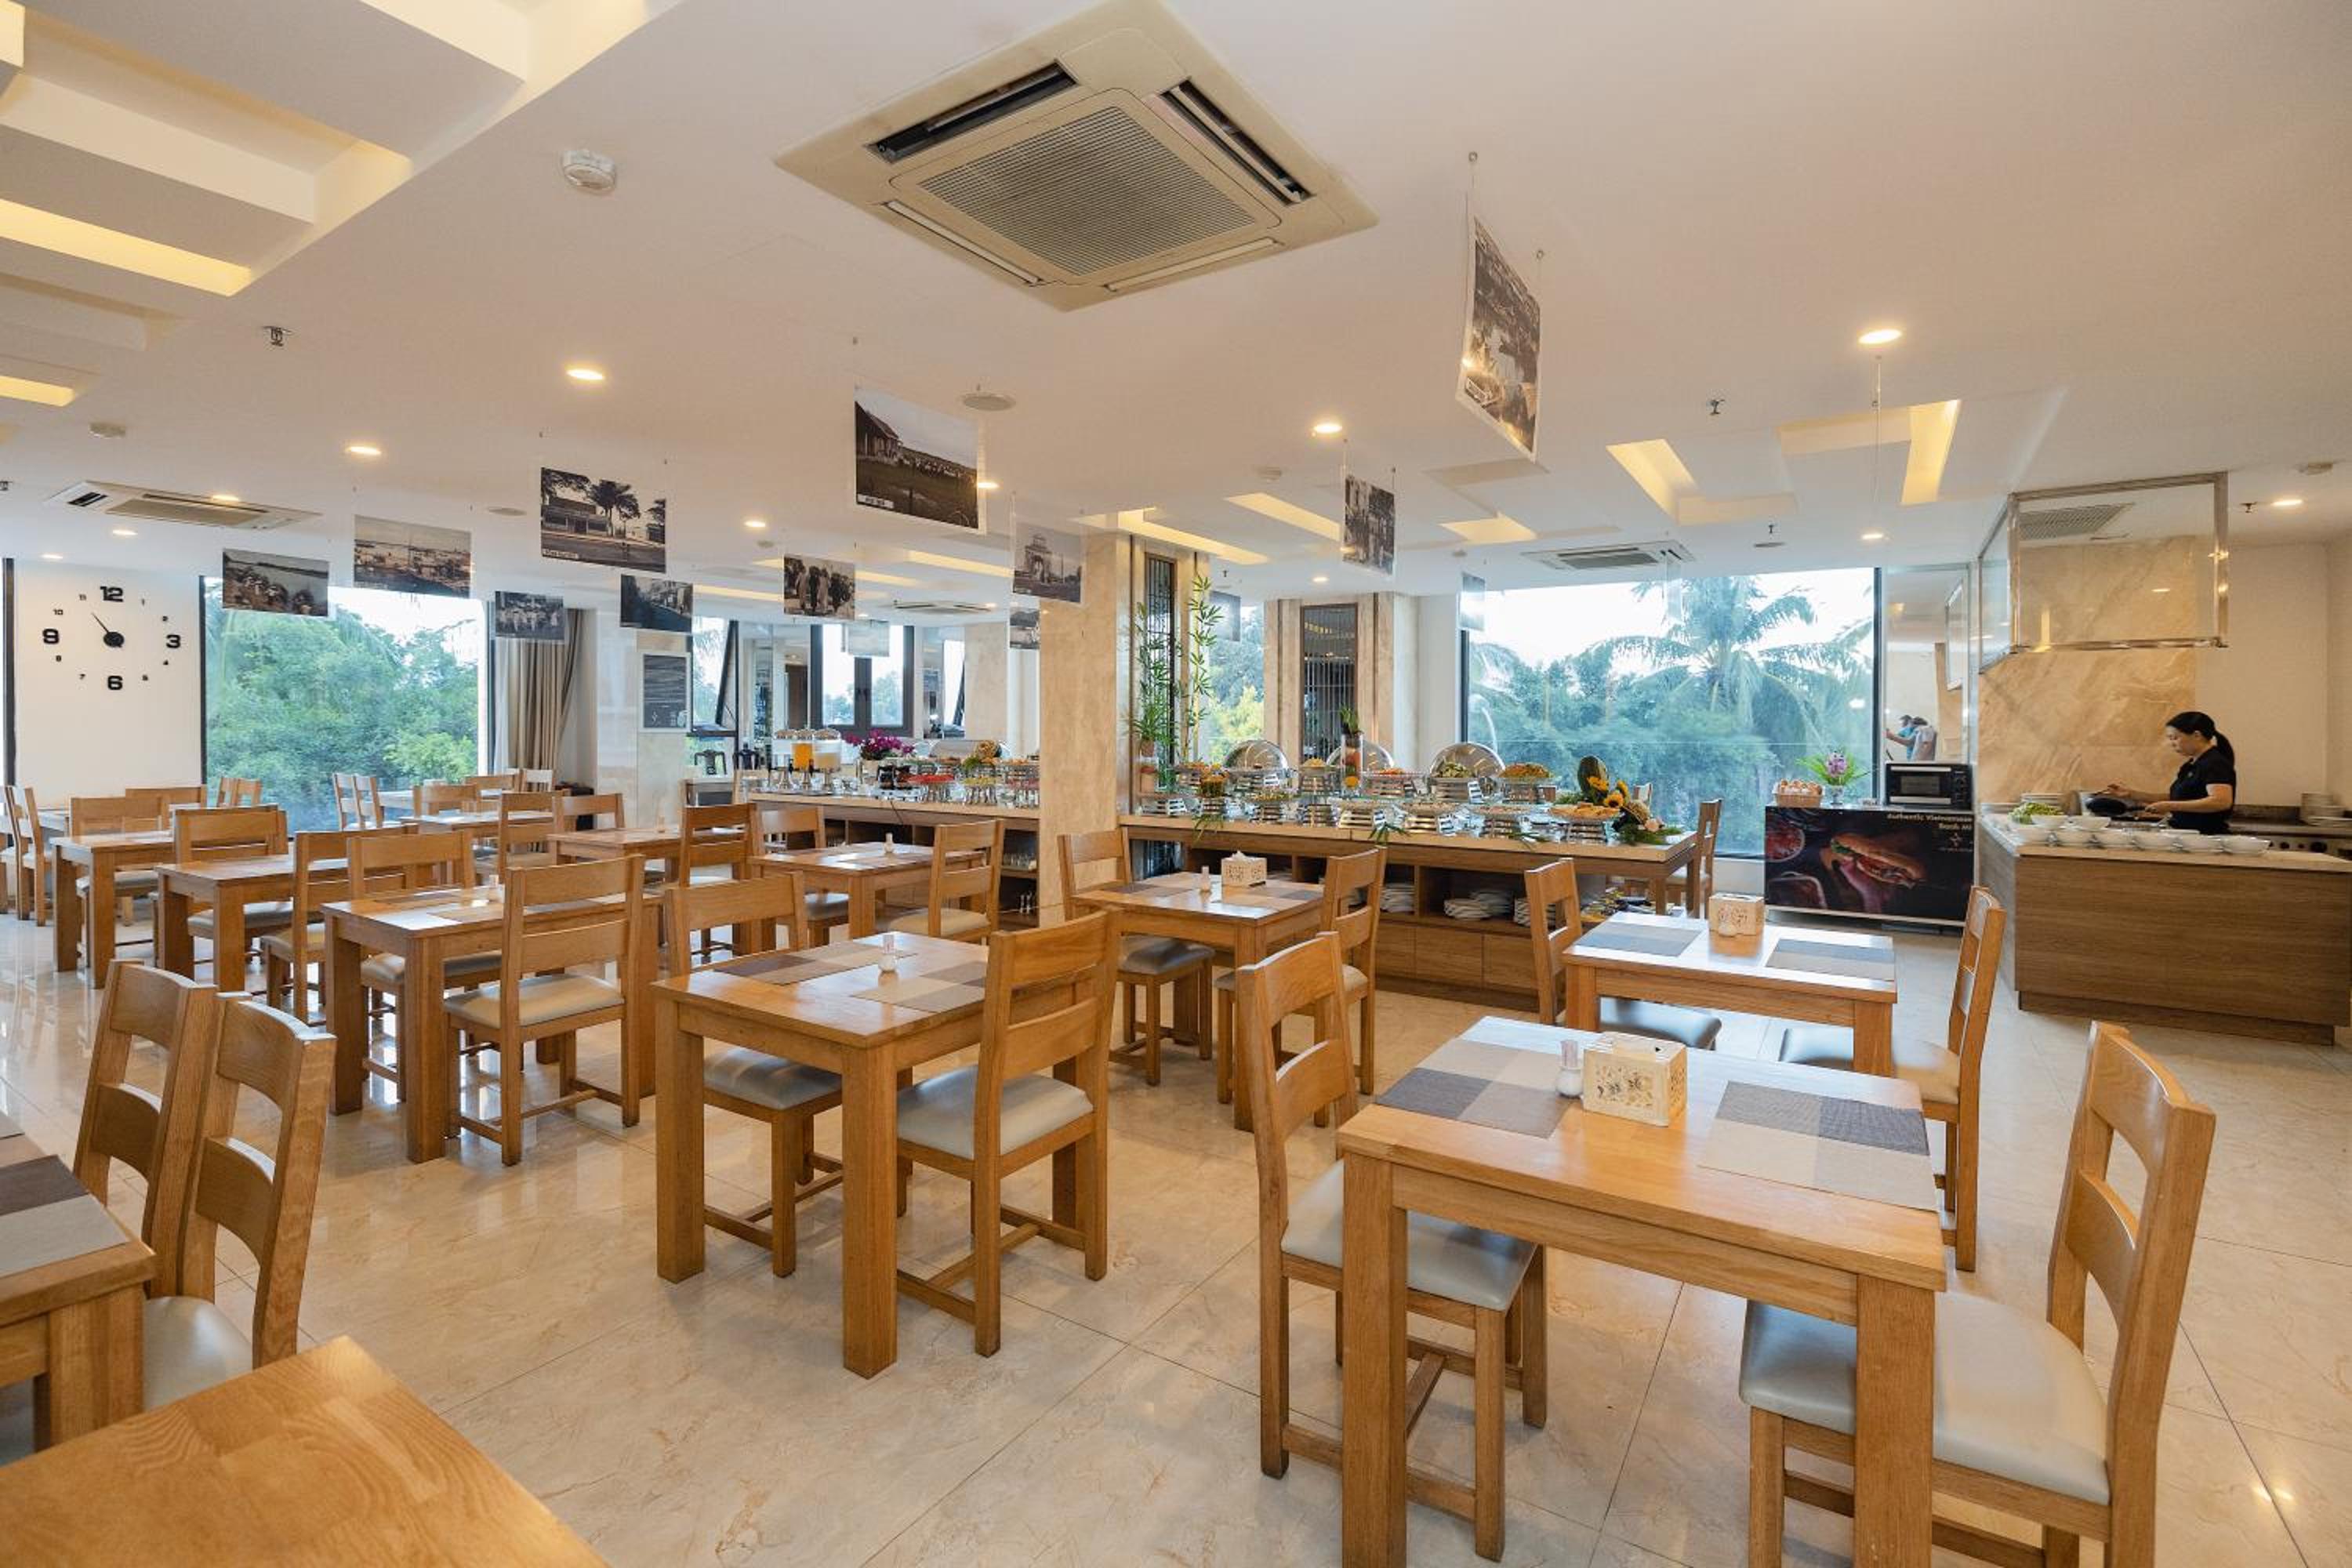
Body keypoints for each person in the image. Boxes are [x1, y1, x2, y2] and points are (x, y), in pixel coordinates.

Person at [2100, 710, 2236, 834]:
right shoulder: (2191, 765)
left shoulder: (2215, 763)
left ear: (2197, 735)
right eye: (2170, 739)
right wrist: (2132, 794)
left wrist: (2170, 806)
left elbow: (2221, 801)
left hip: (2205, 837)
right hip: (2186, 834)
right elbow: (2179, 797)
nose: (2172, 743)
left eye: (2175, 738)